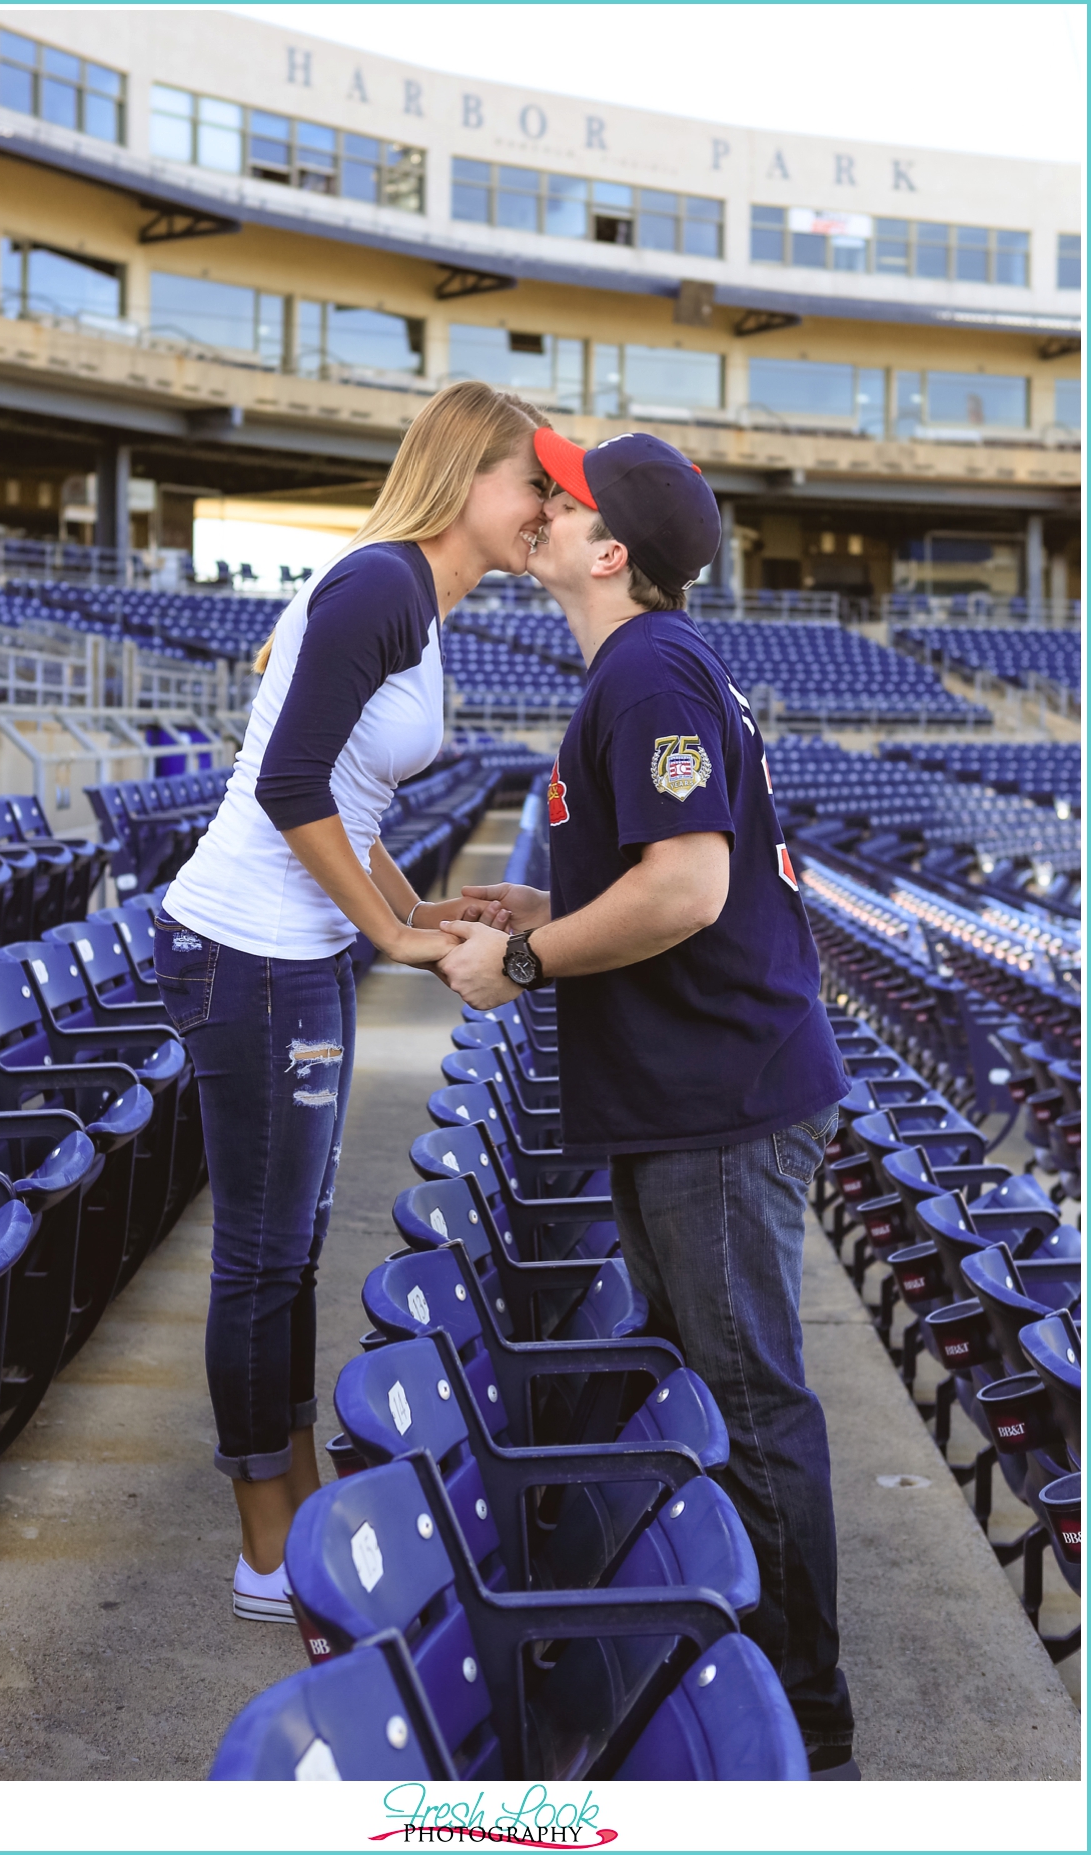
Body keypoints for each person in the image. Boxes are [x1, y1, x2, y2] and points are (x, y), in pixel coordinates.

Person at [437, 428, 858, 1777]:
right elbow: (661, 882)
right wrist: (550, 910)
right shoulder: (639, 668)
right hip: (693, 1092)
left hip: (719, 1100)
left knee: (750, 1395)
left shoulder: (651, 665)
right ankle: (747, 1680)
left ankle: (803, 1718)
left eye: (561, 495)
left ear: (607, 547)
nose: (540, 505)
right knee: (713, 1383)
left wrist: (522, 957)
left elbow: (688, 888)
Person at [153, 381, 549, 1623]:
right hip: (254, 952)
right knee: (262, 1260)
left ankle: (299, 1495)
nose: (543, 503)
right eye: (530, 479)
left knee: (293, 1250)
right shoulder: (381, 583)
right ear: (469, 475)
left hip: (299, 952)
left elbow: (349, 800)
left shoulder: (419, 604)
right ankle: (267, 1548)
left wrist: (417, 908)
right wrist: (390, 932)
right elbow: (285, 782)